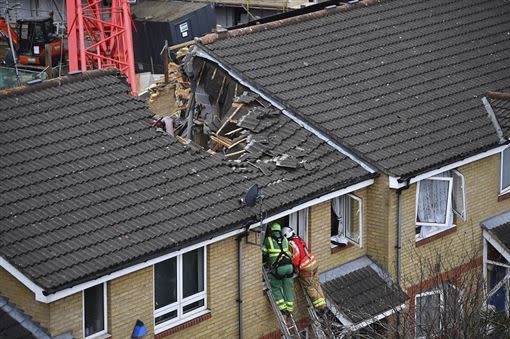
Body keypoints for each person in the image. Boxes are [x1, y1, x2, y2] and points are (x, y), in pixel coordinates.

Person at [282, 226, 326, 311]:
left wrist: (294, 266)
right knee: (316, 284)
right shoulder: (298, 238)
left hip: (305, 267)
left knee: (310, 287)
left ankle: (321, 308)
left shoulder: (291, 243)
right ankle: (323, 303)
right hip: (313, 262)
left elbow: (296, 256)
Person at [261, 222, 295, 314]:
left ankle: (283, 308)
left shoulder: (268, 239)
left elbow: (263, 252)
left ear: (271, 231)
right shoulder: (284, 238)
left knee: (275, 287)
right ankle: (290, 308)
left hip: (279, 268)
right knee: (287, 287)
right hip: (289, 266)